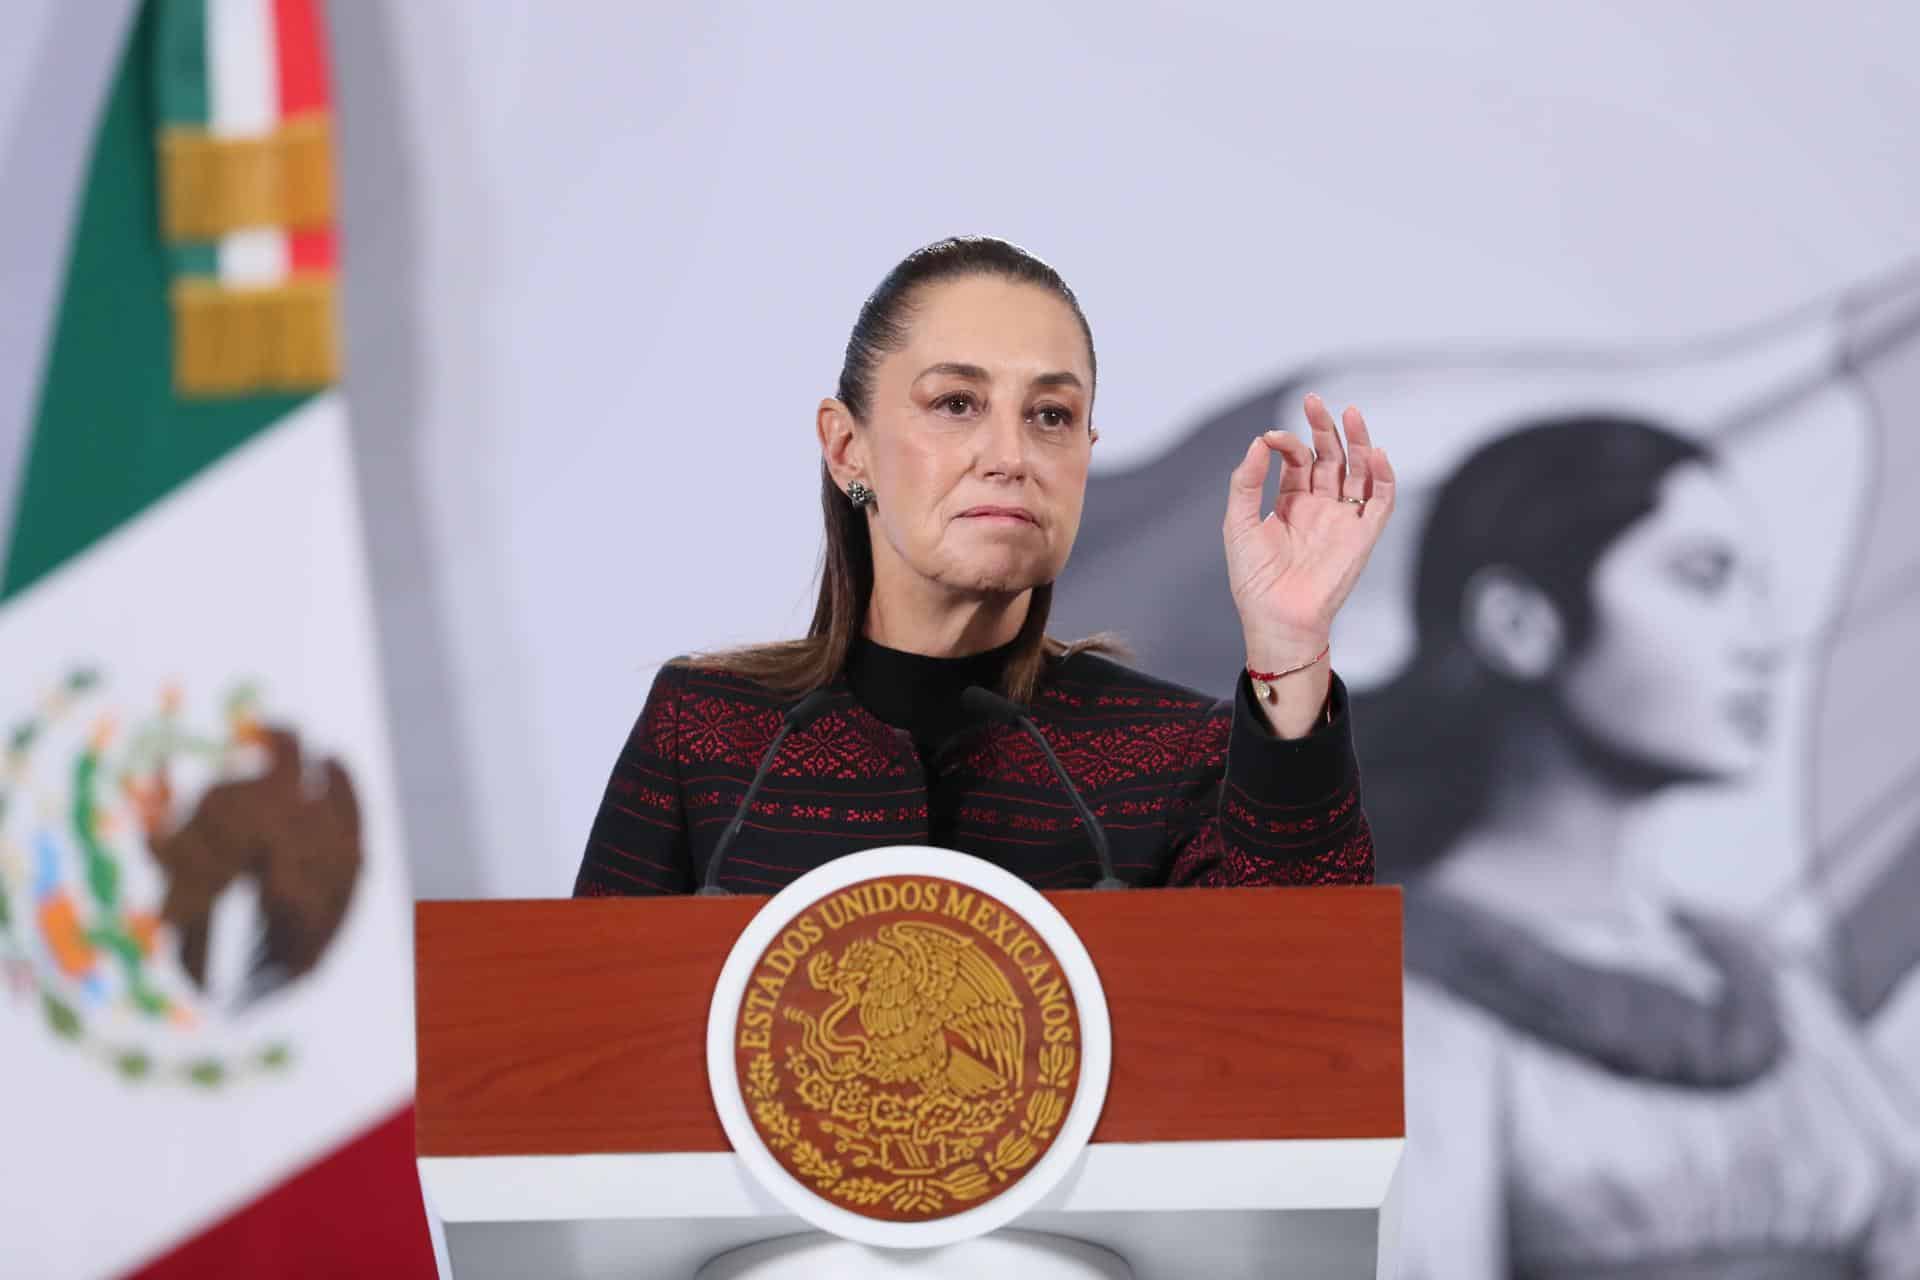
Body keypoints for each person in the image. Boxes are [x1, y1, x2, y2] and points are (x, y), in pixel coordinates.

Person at [571, 235, 1392, 897]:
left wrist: (1289, 646)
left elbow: (1302, 1002)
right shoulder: (706, 732)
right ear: (846, 447)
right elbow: (582, 1062)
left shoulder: (1177, 754)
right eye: (956, 403)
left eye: (1050, 415)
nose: (1011, 455)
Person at [1358, 417, 1920, 1278]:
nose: (1761, 643)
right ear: (1519, 623)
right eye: (1703, 579)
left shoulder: (1773, 988)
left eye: (1758, 589)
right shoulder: (1388, 998)